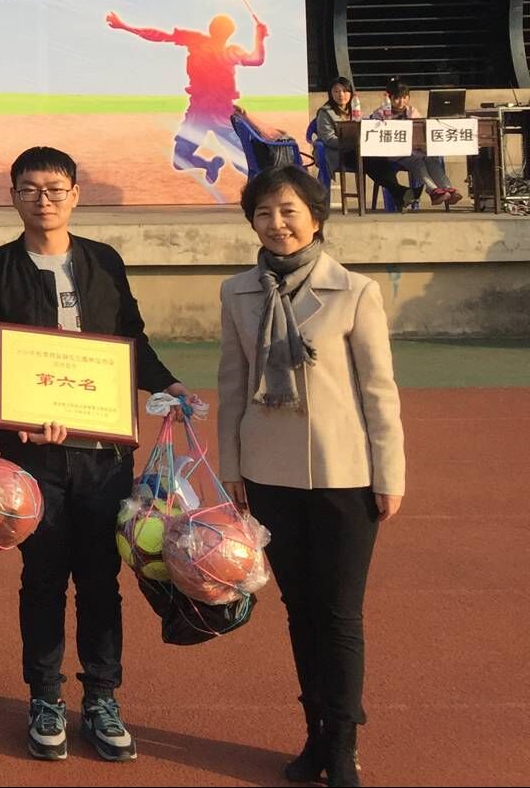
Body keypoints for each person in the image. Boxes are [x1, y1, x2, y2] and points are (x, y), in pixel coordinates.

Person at [0, 147, 187, 764]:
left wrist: (167, 384)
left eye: (56, 188)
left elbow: (131, 339)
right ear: (13, 195)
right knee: (42, 575)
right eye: (30, 189)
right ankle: (44, 696)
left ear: (75, 194)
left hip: (104, 453)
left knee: (100, 577)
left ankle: (102, 697)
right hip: (33, 455)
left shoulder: (104, 261)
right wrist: (21, 417)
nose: (44, 199)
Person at [217, 166, 404, 788]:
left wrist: (389, 472)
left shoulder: (354, 291)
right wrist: (232, 466)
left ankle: (345, 744)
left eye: (289, 210)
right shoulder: (237, 293)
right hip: (268, 474)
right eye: (264, 213)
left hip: (345, 475)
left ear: (316, 218)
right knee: (299, 610)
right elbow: (232, 384)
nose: (277, 224)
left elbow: (379, 390)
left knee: (340, 613)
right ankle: (316, 734)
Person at [104, 6, 266, 187]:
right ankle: (209, 165)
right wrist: (125, 26)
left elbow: (256, 60)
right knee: (180, 159)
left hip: (222, 115)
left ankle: (261, 190)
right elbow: (159, 35)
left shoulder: (230, 51)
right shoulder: (198, 42)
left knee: (242, 161)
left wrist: (259, 37)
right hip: (198, 112)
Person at [366, 80, 461, 208]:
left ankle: (447, 188)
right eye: (397, 98)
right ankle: (433, 190)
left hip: (414, 149)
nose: (401, 101)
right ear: (389, 98)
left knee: (431, 158)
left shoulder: (412, 111)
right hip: (392, 153)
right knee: (417, 161)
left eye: (405, 97)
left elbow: (420, 130)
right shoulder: (379, 113)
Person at [309, 76, 358, 186]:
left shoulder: (355, 110)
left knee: (377, 162)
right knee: (370, 163)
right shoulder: (325, 112)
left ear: (351, 93)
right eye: (336, 91)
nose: (341, 95)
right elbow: (328, 139)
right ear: (330, 94)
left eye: (345, 91)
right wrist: (351, 143)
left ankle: (394, 191)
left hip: (354, 151)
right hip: (334, 152)